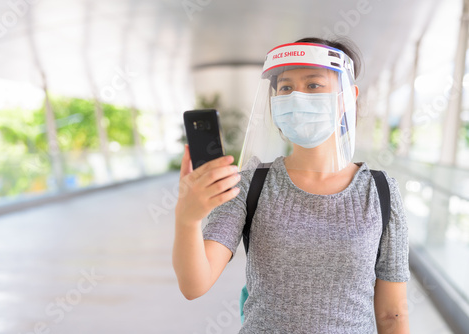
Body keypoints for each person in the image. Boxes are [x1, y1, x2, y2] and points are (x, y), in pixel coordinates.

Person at [173, 37, 410, 333]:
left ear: (347, 97)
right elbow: (195, 284)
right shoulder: (250, 184)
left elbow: (392, 314)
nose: (297, 97)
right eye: (285, 87)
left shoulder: (380, 191)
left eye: (313, 85)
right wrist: (187, 219)